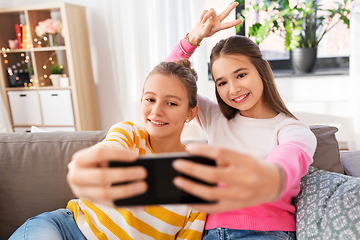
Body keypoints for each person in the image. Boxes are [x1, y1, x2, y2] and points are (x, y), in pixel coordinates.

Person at [165, 2, 317, 239]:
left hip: (267, 232)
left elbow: (287, 162)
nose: (233, 89)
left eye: (241, 75)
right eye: (222, 82)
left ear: (261, 69)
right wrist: (193, 39)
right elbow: (166, 85)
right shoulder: (214, 116)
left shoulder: (291, 130)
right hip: (210, 231)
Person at [9, 59, 206, 240]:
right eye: (150, 99)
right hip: (66, 228)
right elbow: (107, 149)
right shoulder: (129, 134)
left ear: (191, 112)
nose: (156, 111)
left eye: (171, 103)